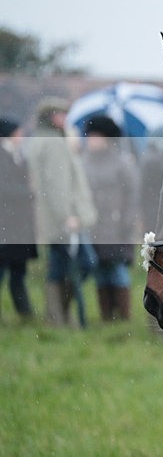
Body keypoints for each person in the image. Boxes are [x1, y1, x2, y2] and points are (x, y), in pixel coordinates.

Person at [25, 97, 97, 327]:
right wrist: (67, 215)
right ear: (50, 116)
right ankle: (59, 314)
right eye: (60, 114)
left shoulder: (45, 139)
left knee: (60, 266)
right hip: (64, 218)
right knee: (83, 263)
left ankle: (58, 316)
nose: (65, 118)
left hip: (55, 217)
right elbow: (57, 185)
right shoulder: (53, 143)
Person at [81, 116, 140, 321]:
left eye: (95, 136)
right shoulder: (84, 160)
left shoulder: (122, 162)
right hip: (93, 226)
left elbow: (133, 195)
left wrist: (127, 222)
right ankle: (106, 317)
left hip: (117, 226)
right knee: (100, 272)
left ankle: (123, 317)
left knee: (117, 271)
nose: (91, 140)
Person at [0, 117, 37, 321]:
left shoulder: (18, 156)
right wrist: (28, 193)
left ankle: (25, 314)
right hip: (6, 227)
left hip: (18, 228)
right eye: (18, 132)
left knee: (18, 274)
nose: (21, 137)